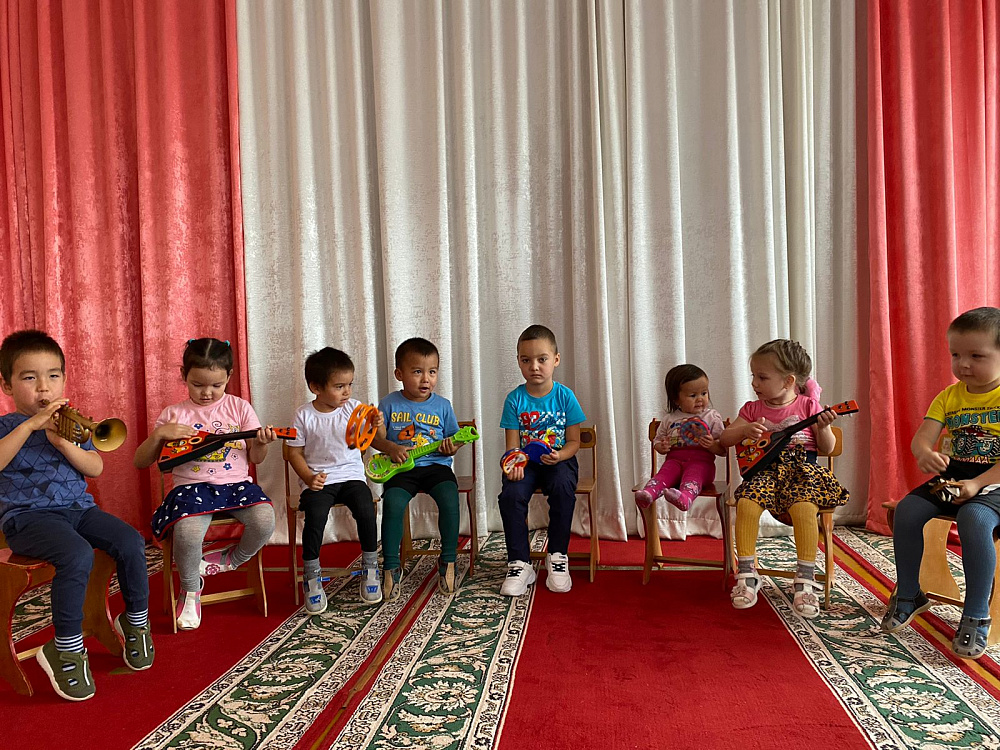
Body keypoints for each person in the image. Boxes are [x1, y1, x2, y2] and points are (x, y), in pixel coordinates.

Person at [0, 330, 152, 701]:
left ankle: (135, 621)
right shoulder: (6, 427)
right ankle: (65, 647)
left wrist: (63, 443)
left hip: (79, 510)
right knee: (77, 553)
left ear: (64, 380)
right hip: (28, 520)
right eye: (29, 377)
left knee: (131, 541)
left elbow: (95, 467)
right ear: (6, 386)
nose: (43, 387)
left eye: (53, 376)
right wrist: (30, 426)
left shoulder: (68, 424)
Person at [882, 307, 1000, 659]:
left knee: (973, 518)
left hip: (994, 484)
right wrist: (924, 454)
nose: (963, 364)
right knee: (907, 510)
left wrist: (977, 485)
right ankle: (910, 594)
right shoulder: (949, 396)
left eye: (976, 356)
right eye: (956, 355)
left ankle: (976, 614)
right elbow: (923, 438)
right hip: (955, 477)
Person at [135, 338, 276, 630]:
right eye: (197, 384)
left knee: (265, 520)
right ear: (184, 375)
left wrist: (262, 443)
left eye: (216, 385)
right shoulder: (174, 414)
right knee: (187, 534)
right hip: (191, 489)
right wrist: (159, 434)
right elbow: (140, 461)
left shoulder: (240, 408)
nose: (207, 393)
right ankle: (190, 590)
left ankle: (230, 560)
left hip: (235, 485)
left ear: (229, 377)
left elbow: (256, 458)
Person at [719, 338, 848, 618]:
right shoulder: (752, 409)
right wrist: (744, 431)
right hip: (766, 474)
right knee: (746, 504)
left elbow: (827, 449)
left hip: (802, 474)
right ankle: (747, 575)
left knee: (804, 509)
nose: (754, 383)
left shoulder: (809, 406)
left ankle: (805, 580)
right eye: (753, 376)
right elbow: (725, 438)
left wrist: (824, 427)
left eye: (762, 377)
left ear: (789, 380)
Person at [287, 347, 381, 612]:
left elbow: (369, 439)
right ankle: (312, 575)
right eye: (339, 386)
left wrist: (376, 424)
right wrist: (308, 477)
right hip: (319, 479)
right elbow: (294, 453)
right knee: (315, 516)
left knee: (365, 508)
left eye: (350, 384)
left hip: (351, 475)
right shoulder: (303, 415)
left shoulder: (354, 408)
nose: (347, 392)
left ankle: (370, 566)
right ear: (316, 387)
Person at [371, 338, 464, 600]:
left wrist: (452, 447)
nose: (426, 379)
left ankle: (448, 560)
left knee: (449, 499)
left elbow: (455, 439)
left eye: (432, 372)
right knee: (393, 503)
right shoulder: (388, 404)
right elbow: (376, 439)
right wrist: (390, 447)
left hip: (436, 466)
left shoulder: (443, 405)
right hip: (401, 470)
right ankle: (391, 566)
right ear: (399, 374)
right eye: (417, 371)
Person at [498, 325, 586, 596]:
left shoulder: (565, 396)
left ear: (555, 360)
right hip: (525, 463)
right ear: (518, 362)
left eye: (542, 359)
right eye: (526, 360)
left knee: (562, 488)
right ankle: (520, 563)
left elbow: (574, 442)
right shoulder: (514, 399)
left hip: (558, 460)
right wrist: (513, 466)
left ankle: (557, 555)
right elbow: (512, 447)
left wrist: (560, 455)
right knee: (511, 495)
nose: (534, 366)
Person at [634, 364, 725, 511]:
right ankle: (649, 494)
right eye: (693, 395)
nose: (700, 399)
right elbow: (657, 440)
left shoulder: (712, 417)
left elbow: (723, 450)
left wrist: (712, 444)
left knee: (693, 475)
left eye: (704, 393)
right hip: (674, 461)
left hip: (702, 464)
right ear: (676, 399)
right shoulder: (669, 419)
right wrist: (661, 447)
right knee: (663, 474)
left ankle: (685, 498)